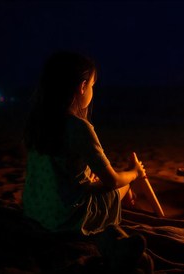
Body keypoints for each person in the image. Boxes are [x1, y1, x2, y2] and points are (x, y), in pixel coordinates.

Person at [22, 51, 152, 272]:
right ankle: (113, 239)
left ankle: (114, 240)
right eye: (92, 85)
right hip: (66, 214)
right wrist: (134, 172)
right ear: (82, 87)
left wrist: (86, 180)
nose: (92, 90)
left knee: (94, 192)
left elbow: (58, 170)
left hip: (35, 210)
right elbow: (111, 180)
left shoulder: (37, 122)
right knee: (121, 186)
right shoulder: (78, 127)